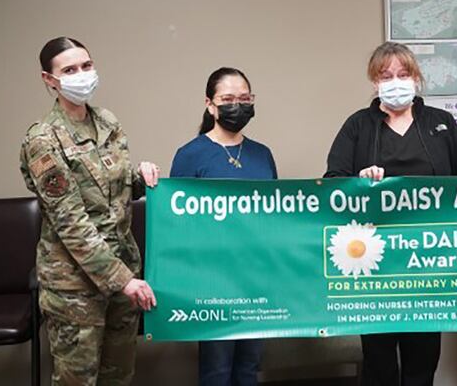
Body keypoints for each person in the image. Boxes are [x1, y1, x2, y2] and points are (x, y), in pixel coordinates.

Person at [324, 41, 457, 385]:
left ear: (416, 78)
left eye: (403, 74)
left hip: (430, 261)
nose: (395, 81)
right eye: (386, 75)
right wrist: (358, 183)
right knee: (378, 361)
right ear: (374, 82)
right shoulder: (358, 125)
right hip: (375, 264)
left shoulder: (442, 124)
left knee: (423, 359)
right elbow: (332, 183)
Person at [19, 36, 159, 385]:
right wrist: (123, 280)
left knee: (119, 376)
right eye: (69, 70)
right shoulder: (43, 140)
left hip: (123, 278)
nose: (82, 75)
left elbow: (113, 188)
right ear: (49, 80)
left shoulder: (107, 122)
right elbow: (71, 224)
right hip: (75, 290)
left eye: (86, 66)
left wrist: (140, 177)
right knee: (77, 381)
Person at [170, 67, 275, 386]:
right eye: (228, 99)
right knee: (217, 369)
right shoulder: (190, 155)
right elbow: (177, 223)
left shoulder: (262, 154)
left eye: (244, 99)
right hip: (212, 281)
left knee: (250, 366)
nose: (237, 105)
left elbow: (276, 216)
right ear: (210, 105)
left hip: (255, 278)